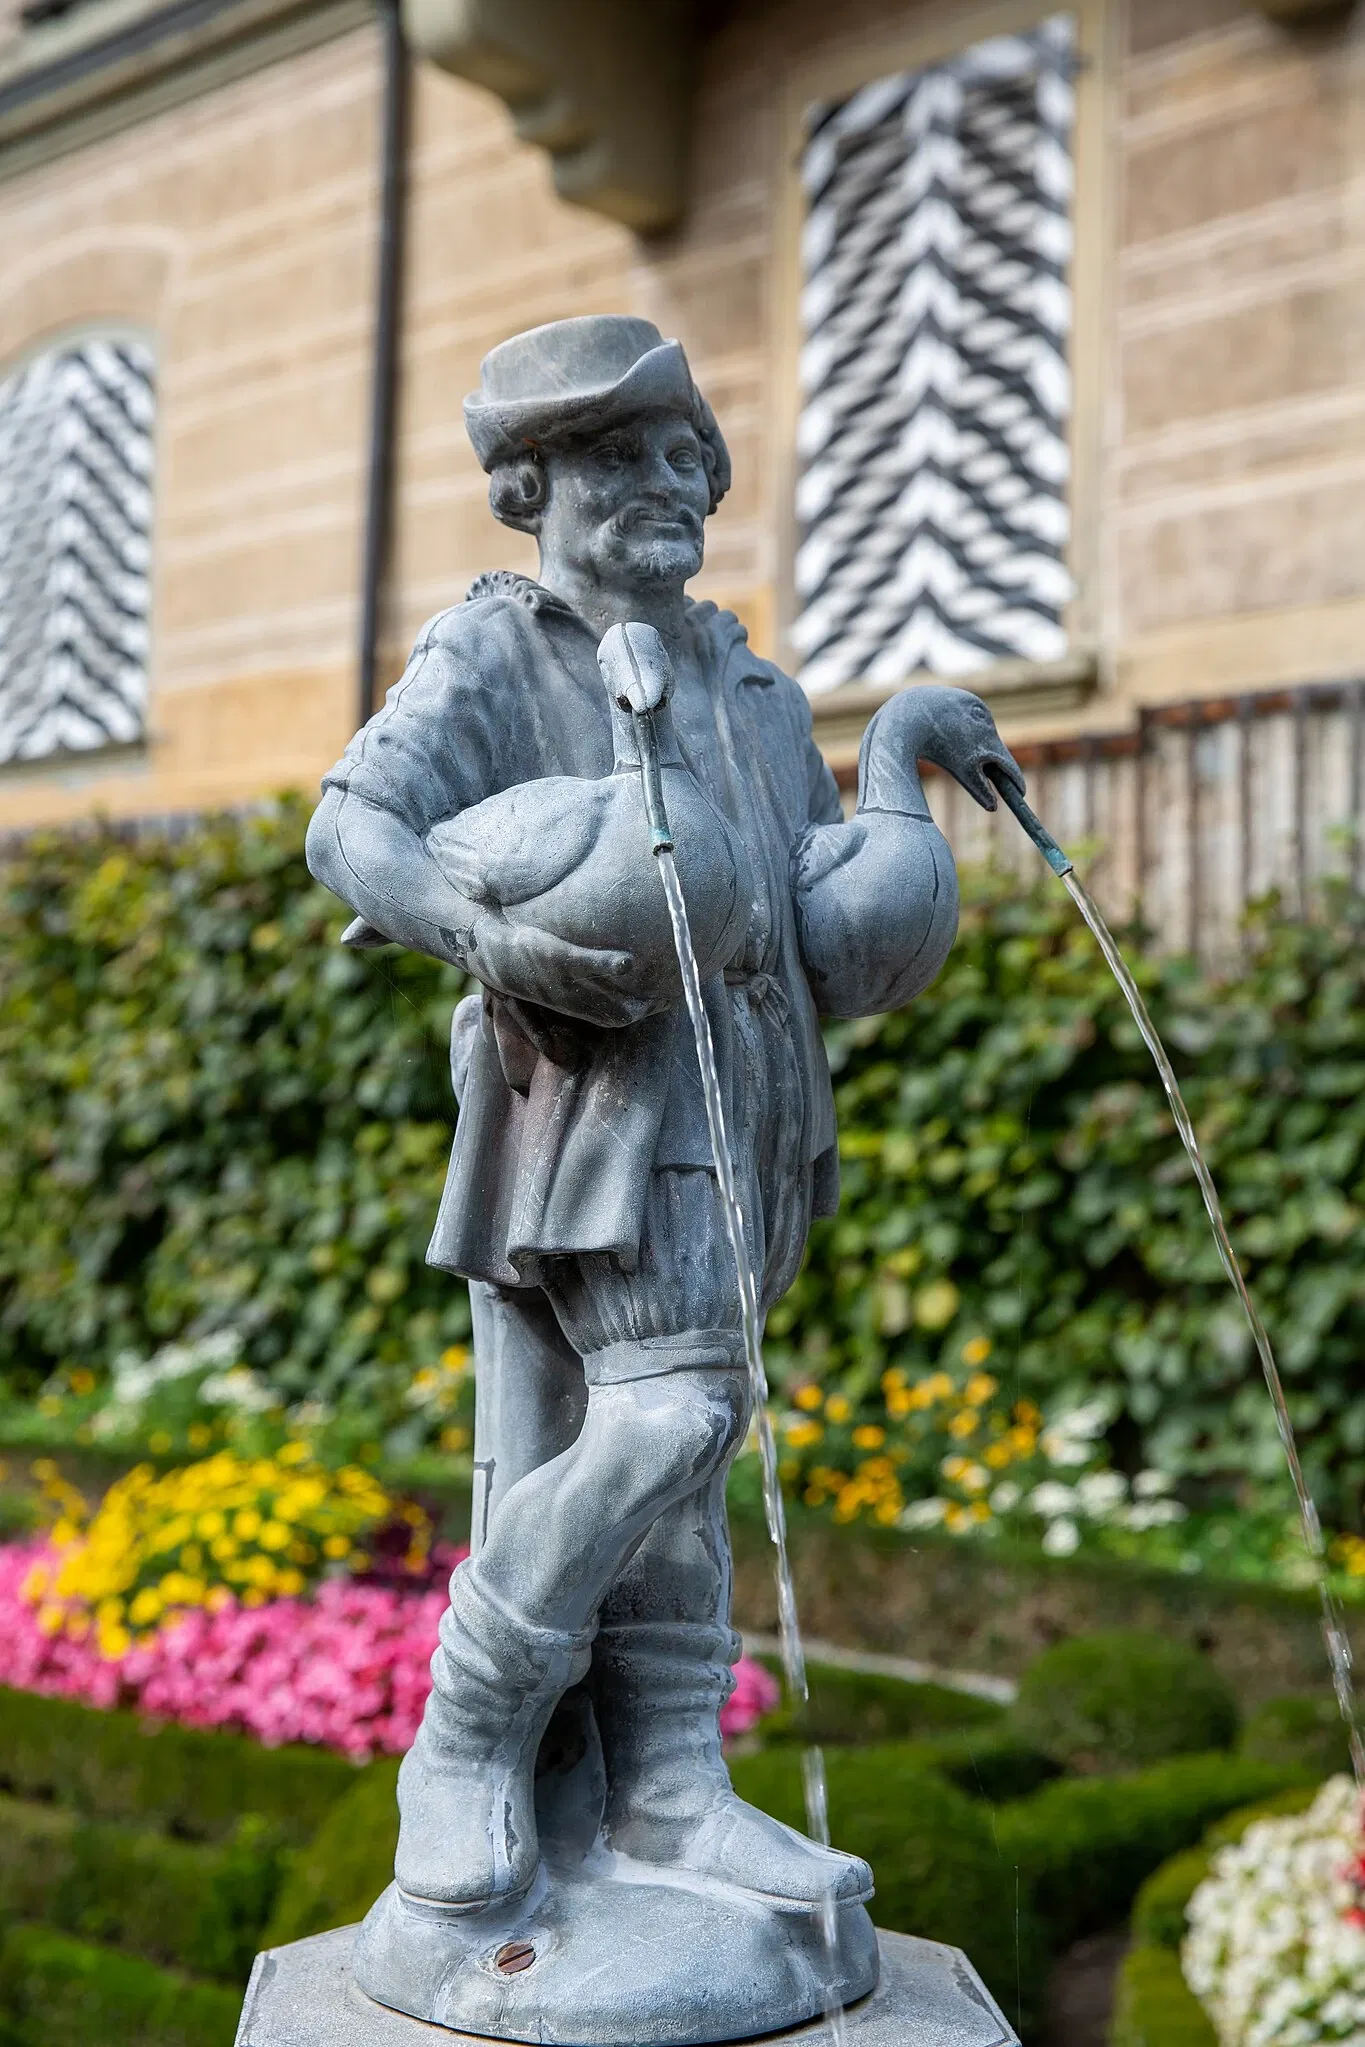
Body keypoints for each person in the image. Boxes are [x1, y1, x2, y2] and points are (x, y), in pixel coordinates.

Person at [306, 314, 1023, 1919]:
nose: (668, 481)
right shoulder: (496, 650)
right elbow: (351, 824)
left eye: (682, 452)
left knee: (690, 1455)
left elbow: (786, 902)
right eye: (620, 456)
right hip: (591, 1098)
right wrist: (479, 931)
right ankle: (473, 1734)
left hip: (754, 1100)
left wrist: (884, 849)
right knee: (670, 1416)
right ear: (531, 485)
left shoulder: (752, 686)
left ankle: (673, 1793)